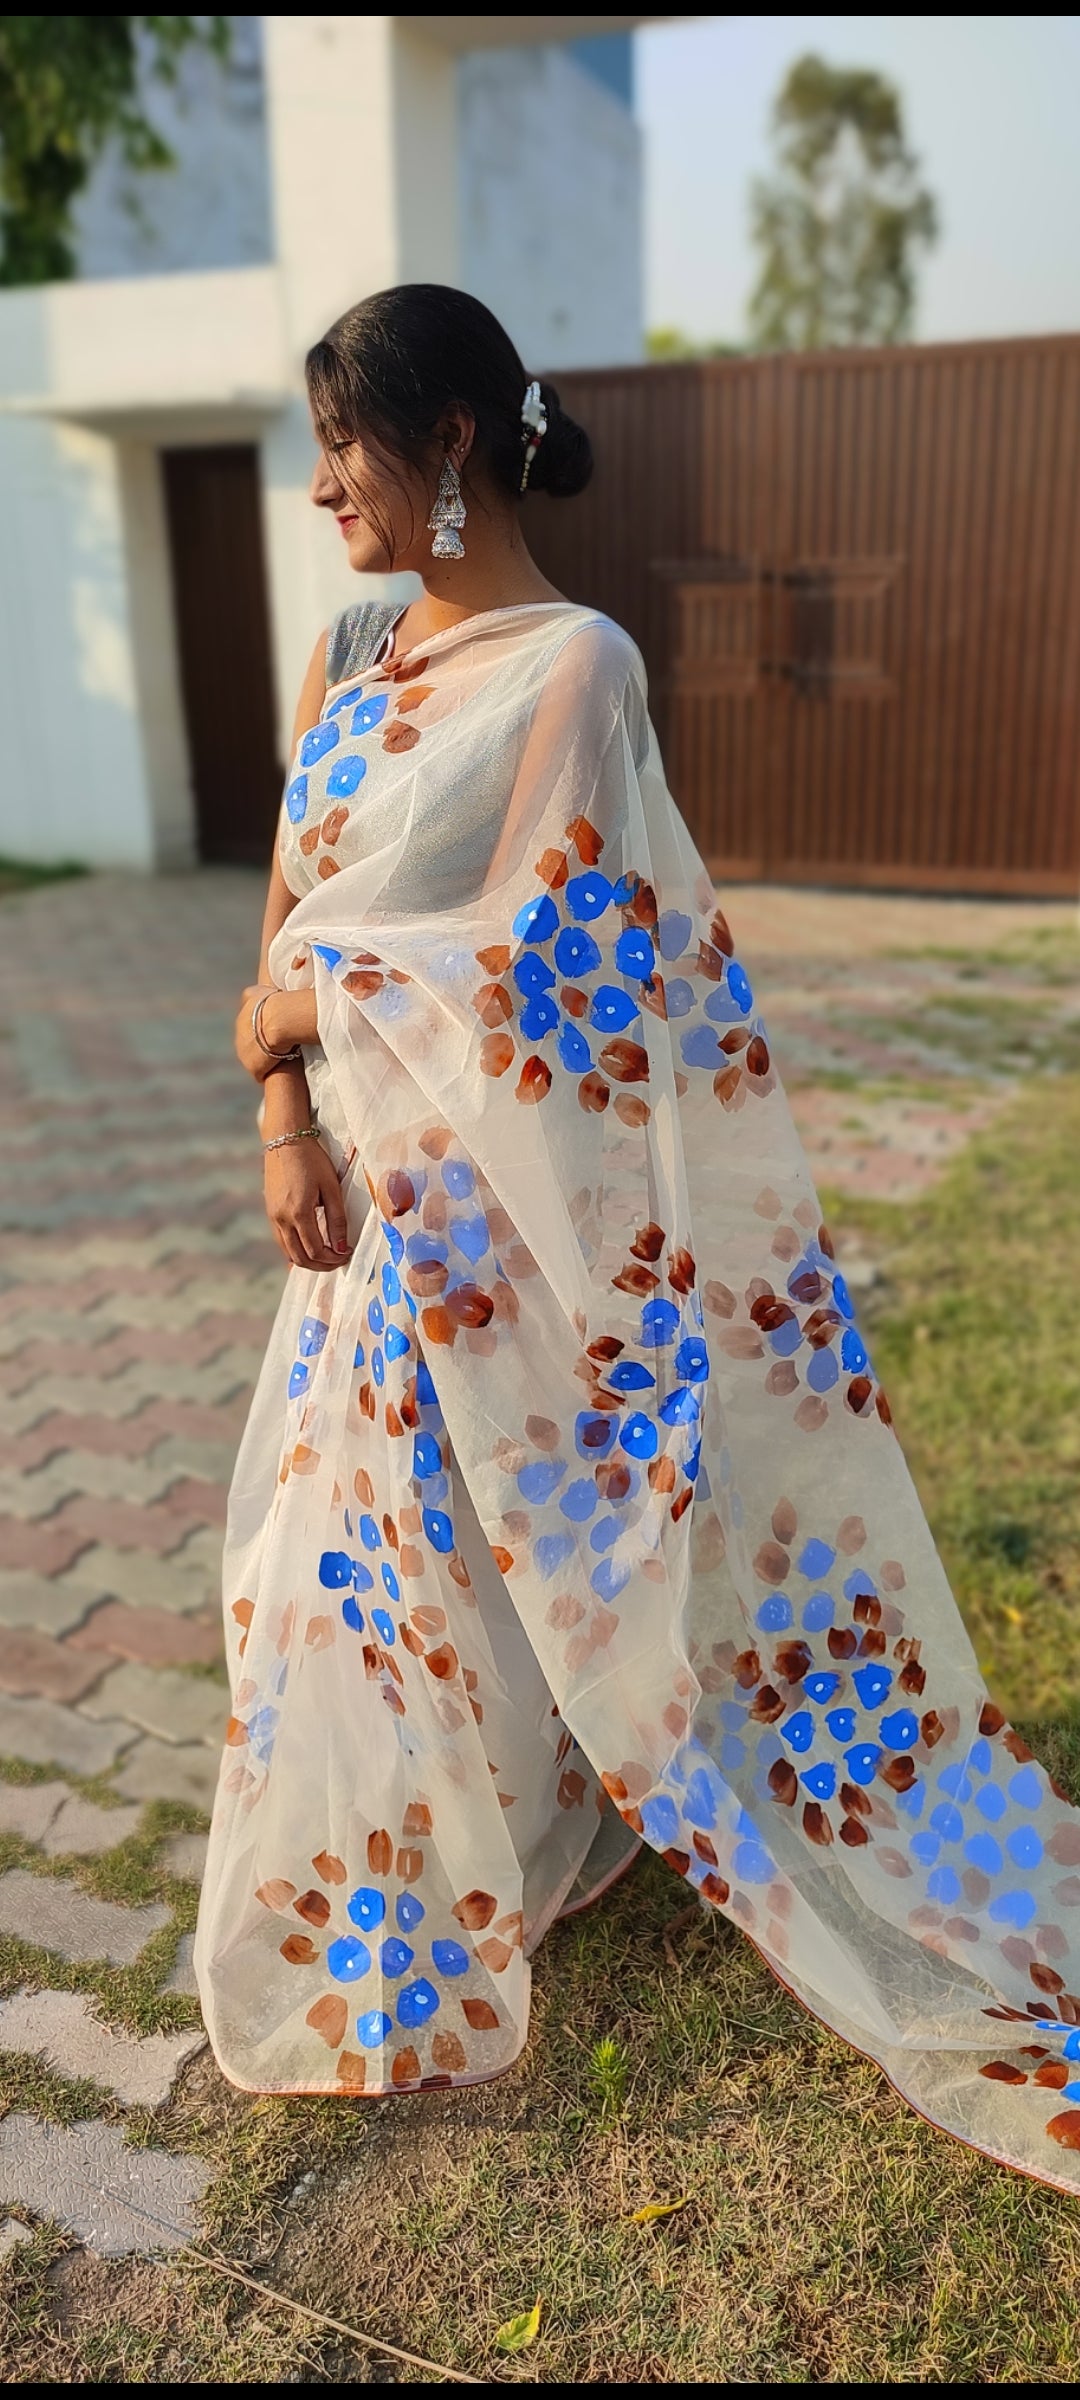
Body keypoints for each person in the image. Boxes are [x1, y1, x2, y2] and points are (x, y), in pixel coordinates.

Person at [196, 282, 1080, 2191]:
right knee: (356, 1556)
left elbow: (551, 954)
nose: (321, 487)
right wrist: (282, 1102)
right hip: (357, 1185)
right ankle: (429, 1873)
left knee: (499, 1528)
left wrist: (308, 1008)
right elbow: (290, 909)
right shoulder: (351, 649)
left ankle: (540, 1829)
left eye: (344, 445)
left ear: (448, 443)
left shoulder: (577, 666)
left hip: (487, 1192)